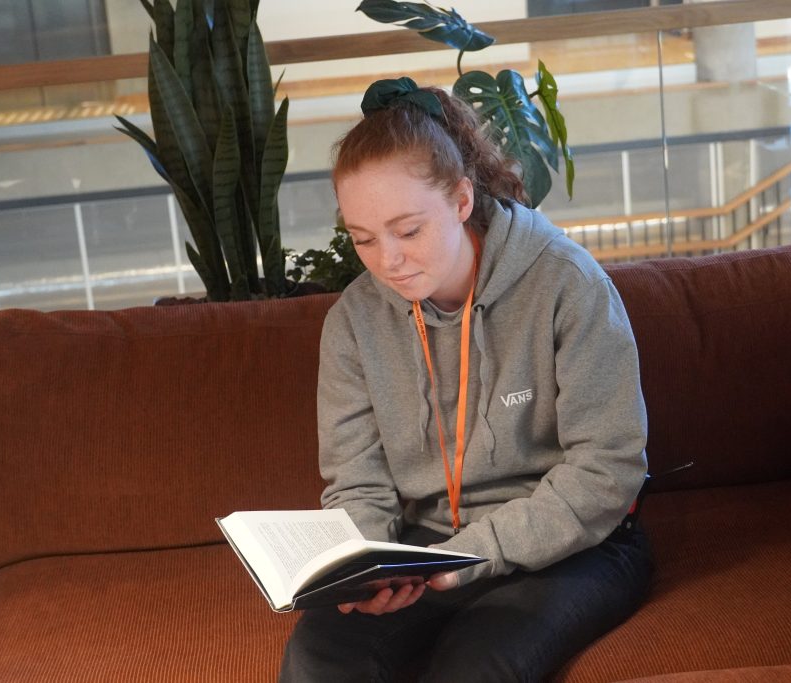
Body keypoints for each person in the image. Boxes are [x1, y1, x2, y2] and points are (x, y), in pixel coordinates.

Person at [279, 77, 653, 683]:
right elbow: (358, 483)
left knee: (474, 667)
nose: (388, 261)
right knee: (319, 661)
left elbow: (605, 471)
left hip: (572, 546)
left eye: (408, 231)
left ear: (460, 200)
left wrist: (472, 556)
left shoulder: (567, 283)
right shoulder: (353, 322)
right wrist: (364, 572)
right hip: (426, 551)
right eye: (364, 239)